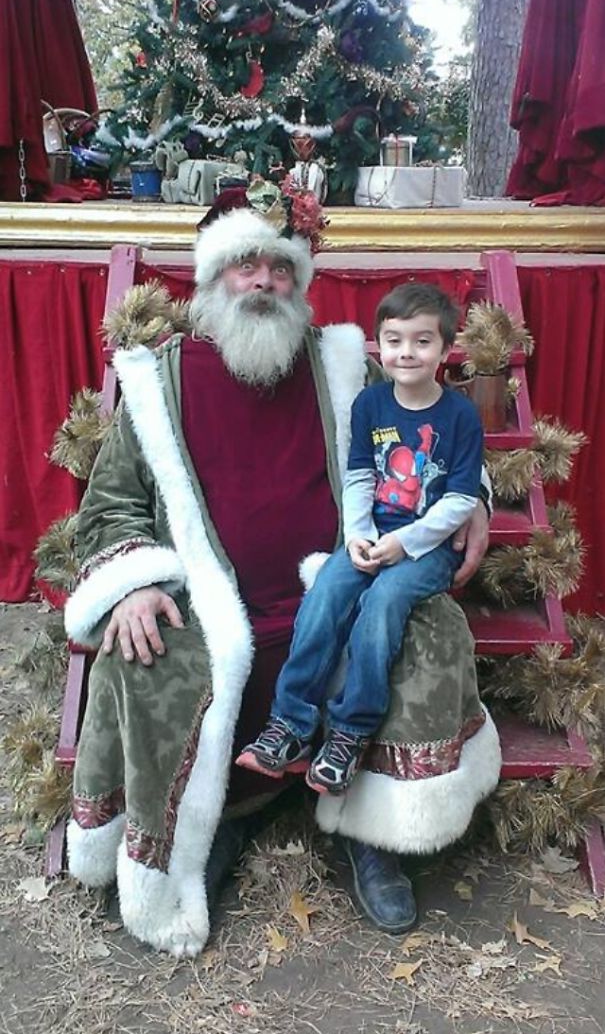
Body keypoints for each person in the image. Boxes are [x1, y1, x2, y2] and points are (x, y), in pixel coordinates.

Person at [64, 186, 502, 958]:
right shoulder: (157, 383)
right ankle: (209, 827)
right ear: (212, 279)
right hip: (206, 600)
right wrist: (134, 582)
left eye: (279, 267)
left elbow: (427, 430)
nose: (263, 281)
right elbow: (110, 506)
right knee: (147, 655)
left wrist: (470, 503)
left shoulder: (342, 365)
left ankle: (374, 831)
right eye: (245, 265)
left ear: (298, 281)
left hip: (339, 577)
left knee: (426, 628)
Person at [237, 283, 484, 796]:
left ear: (445, 348)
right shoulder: (371, 404)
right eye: (394, 340)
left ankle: (350, 731)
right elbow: (360, 478)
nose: (406, 353)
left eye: (422, 341)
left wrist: (405, 544)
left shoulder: (460, 416)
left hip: (428, 547)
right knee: (327, 591)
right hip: (372, 534)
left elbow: (461, 500)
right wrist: (358, 536)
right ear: (379, 344)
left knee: (383, 602)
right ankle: (290, 723)